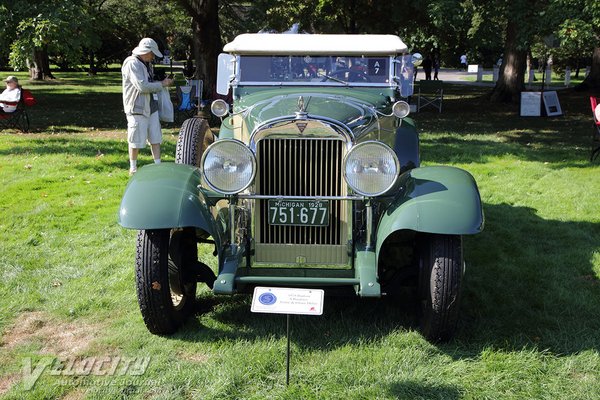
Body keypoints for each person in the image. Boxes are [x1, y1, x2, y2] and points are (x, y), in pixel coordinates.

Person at [121, 38, 173, 175]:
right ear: (147, 52)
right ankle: (133, 168)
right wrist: (162, 84)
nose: (153, 56)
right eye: (152, 53)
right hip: (137, 107)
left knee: (156, 137)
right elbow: (142, 86)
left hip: (151, 106)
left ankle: (158, 165)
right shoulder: (132, 63)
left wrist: (161, 82)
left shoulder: (145, 63)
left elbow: (148, 83)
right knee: (135, 138)